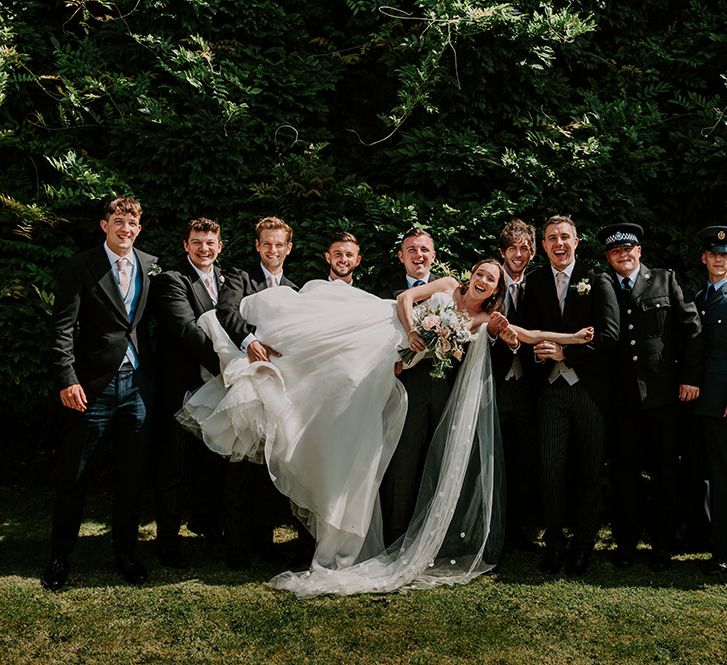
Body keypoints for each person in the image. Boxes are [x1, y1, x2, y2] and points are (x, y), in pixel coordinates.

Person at [178, 258, 592, 597]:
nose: (484, 280)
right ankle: (268, 363)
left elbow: (529, 333)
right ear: (472, 275)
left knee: (349, 409)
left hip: (394, 365)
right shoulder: (446, 285)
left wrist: (572, 338)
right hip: (385, 330)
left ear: (496, 290)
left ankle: (333, 497)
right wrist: (413, 330)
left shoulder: (482, 321)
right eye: (481, 272)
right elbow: (405, 296)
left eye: (491, 279)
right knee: (321, 349)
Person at [41, 196, 157, 591]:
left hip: (137, 388)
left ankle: (125, 553)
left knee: (132, 476)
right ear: (104, 224)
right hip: (90, 388)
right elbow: (62, 329)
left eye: (133, 223)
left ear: (139, 229)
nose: (127, 229)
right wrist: (66, 378)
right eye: (119, 221)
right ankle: (60, 556)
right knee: (75, 475)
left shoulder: (150, 264)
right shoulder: (80, 265)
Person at [519, 214, 620, 576]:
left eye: (565, 237)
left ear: (576, 241)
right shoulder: (535, 282)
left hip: (590, 391)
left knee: (591, 470)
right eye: (551, 238)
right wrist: (537, 353)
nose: (559, 244)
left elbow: (609, 335)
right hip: (551, 391)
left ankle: (583, 545)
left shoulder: (598, 280)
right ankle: (555, 543)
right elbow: (527, 333)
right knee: (551, 468)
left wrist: (568, 353)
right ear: (543, 246)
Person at [598, 222, 702, 572]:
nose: (623, 255)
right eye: (615, 251)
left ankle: (661, 546)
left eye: (628, 250)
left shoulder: (664, 280)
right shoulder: (604, 285)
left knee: (665, 475)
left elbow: (692, 329)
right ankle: (626, 544)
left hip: (663, 398)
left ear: (639, 251)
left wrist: (690, 378)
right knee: (625, 476)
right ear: (609, 257)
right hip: (623, 401)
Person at [214, 216, 310, 569]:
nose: (272, 250)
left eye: (279, 244)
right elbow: (225, 311)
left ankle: (265, 542)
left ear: (288, 248)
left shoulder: (295, 289)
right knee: (240, 466)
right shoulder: (240, 278)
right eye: (266, 244)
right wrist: (250, 340)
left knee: (271, 464)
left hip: (282, 385)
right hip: (248, 382)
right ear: (258, 246)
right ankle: (236, 546)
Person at [150, 217, 227, 568]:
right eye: (197, 242)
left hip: (215, 388)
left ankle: (206, 523)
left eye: (210, 242)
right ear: (185, 245)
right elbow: (185, 329)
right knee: (173, 468)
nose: (204, 248)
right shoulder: (171, 281)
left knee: (212, 460)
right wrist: (227, 363)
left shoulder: (226, 280)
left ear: (219, 246)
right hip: (180, 385)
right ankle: (167, 540)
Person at [379, 228, 451, 546]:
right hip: (405, 387)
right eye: (411, 249)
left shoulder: (449, 293)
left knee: (442, 456)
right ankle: (397, 531)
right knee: (404, 458)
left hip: (445, 384)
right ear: (401, 256)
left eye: (424, 249)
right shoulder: (385, 294)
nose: (418, 255)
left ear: (433, 255)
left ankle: (438, 532)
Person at [491, 219, 540, 549]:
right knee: (494, 459)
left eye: (524, 249)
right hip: (494, 383)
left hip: (529, 385)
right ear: (502, 252)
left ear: (533, 252)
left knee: (527, 459)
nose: (519, 254)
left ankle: (524, 528)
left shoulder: (540, 286)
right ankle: (494, 527)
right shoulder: (489, 284)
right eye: (513, 249)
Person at [692, 226, 727, 576]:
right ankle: (710, 539)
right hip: (703, 401)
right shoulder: (701, 297)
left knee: (723, 475)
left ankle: (723, 554)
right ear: (704, 257)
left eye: (725, 254)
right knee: (708, 474)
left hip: (723, 402)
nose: (719, 259)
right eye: (714, 254)